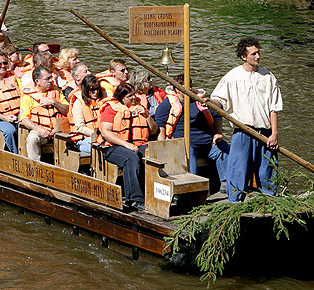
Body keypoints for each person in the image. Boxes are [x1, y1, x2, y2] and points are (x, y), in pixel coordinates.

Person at [208, 37, 282, 202]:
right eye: (253, 54)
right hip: (242, 132)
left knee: (267, 170)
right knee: (238, 170)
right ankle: (235, 204)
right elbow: (219, 101)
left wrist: (274, 134)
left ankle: (271, 202)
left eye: (258, 53)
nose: (258, 57)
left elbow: (274, 108)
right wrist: (208, 102)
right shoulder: (232, 76)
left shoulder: (268, 77)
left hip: (265, 134)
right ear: (243, 56)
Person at [155, 73, 229, 194]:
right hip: (185, 143)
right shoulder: (169, 103)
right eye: (183, 88)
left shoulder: (200, 101)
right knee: (190, 157)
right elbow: (160, 124)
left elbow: (217, 115)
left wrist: (219, 133)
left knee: (223, 149)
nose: (186, 90)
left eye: (188, 87)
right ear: (176, 90)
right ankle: (194, 190)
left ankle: (227, 184)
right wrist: (163, 145)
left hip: (207, 142)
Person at [98, 82, 158, 211]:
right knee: (131, 158)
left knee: (155, 154)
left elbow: (153, 131)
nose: (133, 98)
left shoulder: (139, 108)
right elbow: (105, 132)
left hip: (138, 143)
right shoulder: (111, 109)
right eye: (129, 96)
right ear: (121, 97)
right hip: (113, 147)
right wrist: (126, 144)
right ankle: (134, 199)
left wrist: (147, 116)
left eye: (133, 95)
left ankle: (160, 192)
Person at [20, 65, 69, 160]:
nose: (51, 80)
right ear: (37, 81)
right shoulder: (27, 96)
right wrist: (40, 130)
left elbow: (67, 110)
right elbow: (24, 119)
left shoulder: (56, 91)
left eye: (51, 77)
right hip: (41, 131)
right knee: (32, 138)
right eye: (48, 78)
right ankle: (35, 166)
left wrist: (54, 102)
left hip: (59, 130)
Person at [68, 74, 105, 153]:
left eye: (97, 89)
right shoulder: (78, 103)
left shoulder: (103, 101)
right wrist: (94, 134)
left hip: (103, 136)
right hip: (84, 139)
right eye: (92, 90)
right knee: (100, 147)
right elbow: (80, 127)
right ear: (86, 89)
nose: (96, 92)